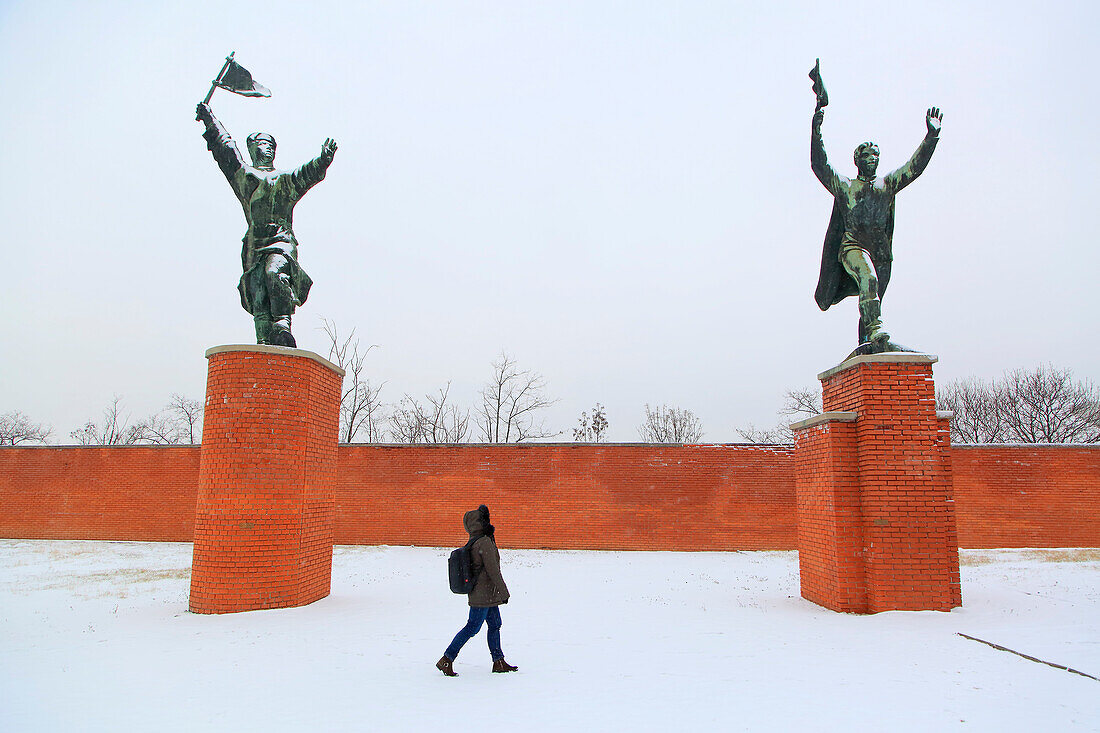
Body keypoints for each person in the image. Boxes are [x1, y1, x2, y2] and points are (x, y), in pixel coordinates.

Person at [196, 102, 337, 347]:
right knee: (258, 292)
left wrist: (322, 160)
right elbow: (225, 149)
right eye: (262, 144)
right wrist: (210, 120)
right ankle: (263, 343)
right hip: (254, 244)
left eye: (271, 145)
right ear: (252, 149)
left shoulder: (284, 180)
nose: (267, 149)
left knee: (275, 273)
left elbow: (305, 173)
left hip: (281, 241)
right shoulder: (244, 176)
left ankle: (282, 325)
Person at [811, 103, 942, 348]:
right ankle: (876, 329)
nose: (872, 160)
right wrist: (816, 128)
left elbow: (914, 168)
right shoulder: (845, 186)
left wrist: (931, 137)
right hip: (853, 247)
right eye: (866, 156)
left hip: (881, 252)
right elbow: (820, 165)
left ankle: (868, 341)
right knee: (868, 279)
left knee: (873, 297)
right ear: (856, 160)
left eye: (875, 156)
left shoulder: (887, 184)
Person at [436, 505, 518, 676]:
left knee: (495, 624)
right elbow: (493, 570)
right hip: (483, 595)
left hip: (485, 594)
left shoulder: (475, 541)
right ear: (481, 523)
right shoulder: (484, 542)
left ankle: (498, 661)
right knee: (472, 627)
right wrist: (504, 592)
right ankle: (447, 659)